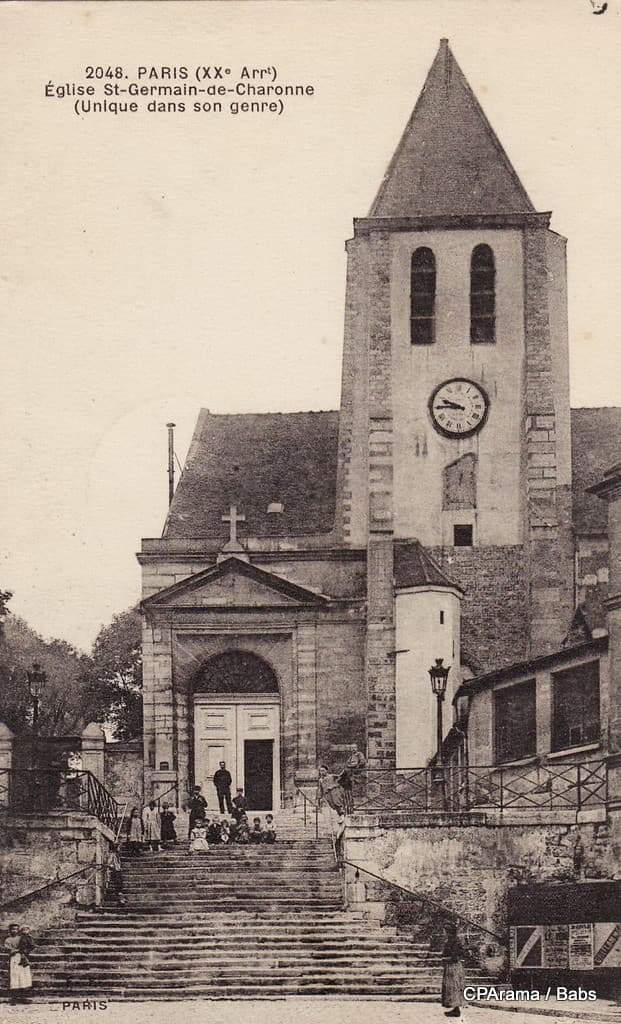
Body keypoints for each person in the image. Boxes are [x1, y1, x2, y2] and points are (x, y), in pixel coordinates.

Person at [441, 922, 467, 1018]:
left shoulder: (455, 941)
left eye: (445, 931)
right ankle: (455, 1008)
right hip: (450, 966)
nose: (443, 933)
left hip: (454, 966)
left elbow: (455, 956)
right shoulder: (450, 940)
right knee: (451, 987)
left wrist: (446, 959)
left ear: (448, 932)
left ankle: (456, 1009)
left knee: (454, 987)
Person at [4, 924, 34, 1004]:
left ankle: (24, 997)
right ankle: (14, 998)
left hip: (23, 958)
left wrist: (24, 951)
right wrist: (17, 950)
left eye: (16, 929)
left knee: (24, 977)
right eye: (13, 929)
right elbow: (10, 950)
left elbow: (28, 945)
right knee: (14, 977)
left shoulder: (22, 938)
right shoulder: (8, 940)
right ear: (10, 930)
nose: (14, 931)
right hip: (14, 959)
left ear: (19, 930)